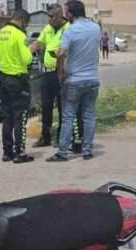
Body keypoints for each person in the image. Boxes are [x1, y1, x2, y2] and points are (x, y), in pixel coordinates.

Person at [48, 0, 100, 162]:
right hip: (92, 79)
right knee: (89, 117)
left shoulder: (70, 31)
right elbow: (96, 53)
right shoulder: (95, 28)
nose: (65, 15)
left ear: (71, 14)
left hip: (73, 81)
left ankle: (62, 152)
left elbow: (61, 54)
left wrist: (60, 75)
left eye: (66, 12)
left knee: (68, 116)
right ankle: (87, 151)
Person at [30, 4, 81, 151]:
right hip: (46, 73)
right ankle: (45, 137)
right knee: (46, 106)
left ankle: (61, 137)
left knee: (62, 106)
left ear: (59, 16)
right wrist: (26, 51)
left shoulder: (68, 29)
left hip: (61, 73)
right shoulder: (48, 28)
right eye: (48, 15)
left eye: (51, 16)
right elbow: (37, 44)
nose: (49, 19)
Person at [0, 9, 34, 163]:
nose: (25, 27)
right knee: (20, 116)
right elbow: (27, 59)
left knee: (7, 116)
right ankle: (20, 152)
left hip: (3, 79)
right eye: (26, 23)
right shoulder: (19, 35)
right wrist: (32, 49)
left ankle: (7, 152)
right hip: (18, 79)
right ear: (22, 20)